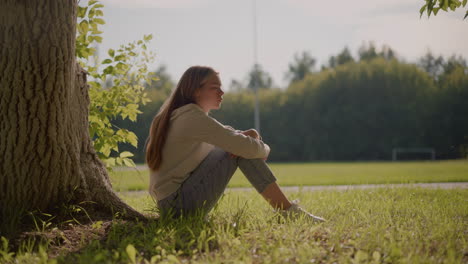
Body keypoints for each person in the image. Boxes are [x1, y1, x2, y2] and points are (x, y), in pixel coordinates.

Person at [145, 65, 325, 222]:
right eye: (215, 88)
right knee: (240, 150)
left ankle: (287, 211)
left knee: (238, 147)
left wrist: (245, 137)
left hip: (172, 204)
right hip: (179, 206)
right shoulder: (192, 117)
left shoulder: (181, 115)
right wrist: (263, 149)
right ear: (196, 91)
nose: (222, 92)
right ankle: (288, 212)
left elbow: (227, 135)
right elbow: (242, 146)